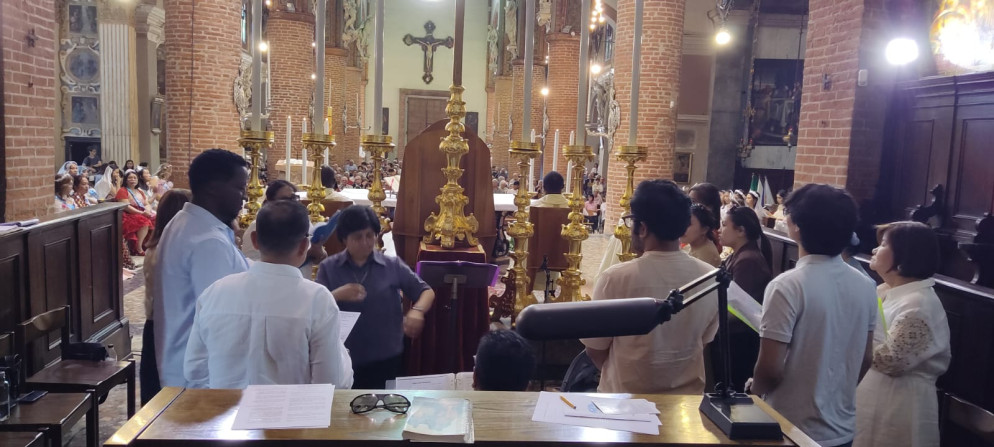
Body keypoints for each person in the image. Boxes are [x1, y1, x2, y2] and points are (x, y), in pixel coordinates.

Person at [748, 184, 877, 447]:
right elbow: (866, 358)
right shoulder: (866, 285)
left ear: (795, 226)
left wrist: (754, 392)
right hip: (842, 427)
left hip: (790, 425)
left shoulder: (787, 285)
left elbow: (771, 369)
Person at [185, 201, 354, 389]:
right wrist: (341, 352)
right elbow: (331, 383)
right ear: (304, 246)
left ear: (255, 240)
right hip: (291, 408)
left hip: (226, 407)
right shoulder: (317, 299)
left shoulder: (214, 293)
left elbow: (194, 371)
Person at [581, 179, 718, 394]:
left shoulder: (615, 278)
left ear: (642, 228)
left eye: (631, 221)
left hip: (624, 401)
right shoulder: (710, 278)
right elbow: (702, 342)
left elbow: (596, 350)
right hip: (686, 402)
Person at [154, 149, 250, 388]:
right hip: (205, 381)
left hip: (183, 369)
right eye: (240, 188)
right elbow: (223, 321)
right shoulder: (208, 242)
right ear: (213, 188)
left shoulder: (183, 222)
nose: (245, 197)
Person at [316, 205, 435, 389]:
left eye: (370, 235)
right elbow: (316, 308)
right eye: (357, 237)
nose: (365, 242)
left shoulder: (391, 265)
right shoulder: (329, 268)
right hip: (345, 357)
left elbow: (426, 291)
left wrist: (417, 311)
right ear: (344, 239)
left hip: (387, 355)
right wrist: (337, 295)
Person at [854, 222, 950, 447]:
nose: (875, 249)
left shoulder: (918, 303)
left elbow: (891, 360)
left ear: (905, 256)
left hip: (900, 404)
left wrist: (849, 336)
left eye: (883, 244)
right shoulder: (886, 291)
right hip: (873, 396)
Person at [140, 188, 192, 404]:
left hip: (155, 324)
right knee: (164, 395)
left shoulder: (156, 246)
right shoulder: (170, 250)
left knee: (154, 392)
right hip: (168, 326)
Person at [116, 170, 155, 255]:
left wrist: (147, 210)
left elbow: (146, 204)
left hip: (141, 212)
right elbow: (126, 207)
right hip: (128, 214)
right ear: (126, 180)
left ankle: (151, 245)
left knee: (156, 218)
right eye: (130, 178)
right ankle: (138, 247)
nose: (133, 180)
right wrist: (142, 213)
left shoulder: (140, 191)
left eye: (135, 178)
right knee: (144, 222)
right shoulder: (122, 190)